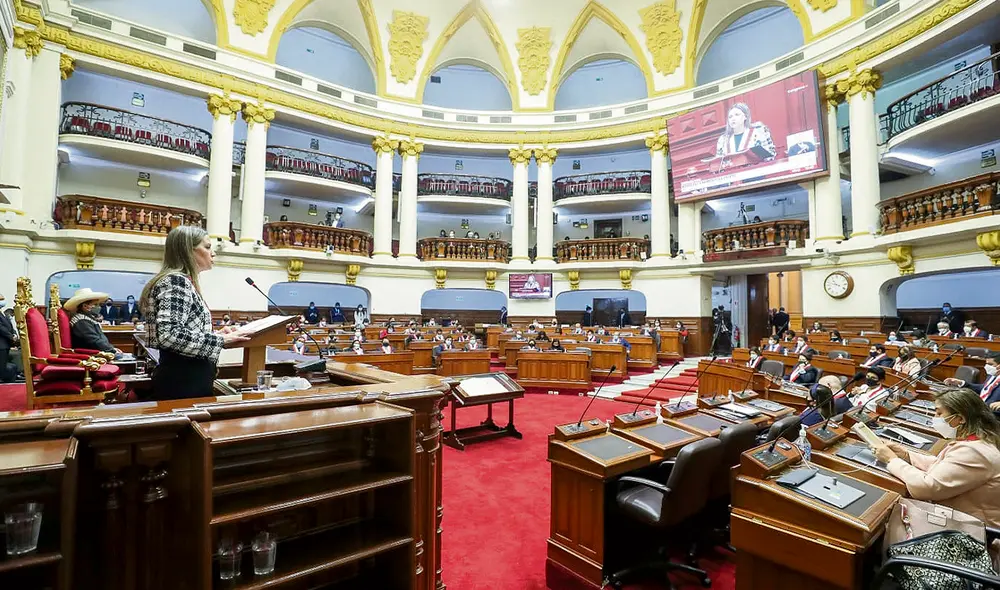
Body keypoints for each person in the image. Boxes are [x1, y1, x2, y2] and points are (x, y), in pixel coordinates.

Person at [141, 226, 248, 400]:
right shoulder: (176, 281)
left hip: (186, 378)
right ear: (188, 251)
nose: (213, 253)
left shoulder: (182, 281)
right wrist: (221, 340)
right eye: (207, 247)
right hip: (183, 381)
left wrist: (214, 334)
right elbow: (169, 335)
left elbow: (181, 331)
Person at [872, 388, 1000, 527]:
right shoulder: (982, 439)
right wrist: (906, 455)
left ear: (961, 418)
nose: (934, 417)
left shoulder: (974, 452)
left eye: (939, 413)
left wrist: (892, 460)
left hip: (970, 532)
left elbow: (926, 488)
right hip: (960, 519)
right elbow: (948, 467)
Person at [64, 288, 120, 355]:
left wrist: (111, 348)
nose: (99, 307)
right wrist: (112, 350)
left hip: (99, 352)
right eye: (95, 304)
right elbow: (94, 341)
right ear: (85, 306)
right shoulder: (81, 321)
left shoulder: (87, 317)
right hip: (90, 355)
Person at [0, 293, 19, 383]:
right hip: (1, 345)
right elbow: (1, 328)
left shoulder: (2, 313)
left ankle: (11, 379)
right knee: (2, 368)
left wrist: (14, 334)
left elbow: (9, 326)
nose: (2, 301)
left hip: (5, 344)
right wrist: (11, 337)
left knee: (6, 366)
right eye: (1, 299)